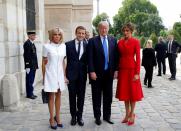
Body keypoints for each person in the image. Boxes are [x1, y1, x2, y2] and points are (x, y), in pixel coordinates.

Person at [88, 21, 118, 125]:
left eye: (106, 28)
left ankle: (107, 116)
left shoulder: (113, 40)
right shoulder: (92, 41)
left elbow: (115, 57)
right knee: (96, 96)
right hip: (96, 74)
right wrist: (91, 71)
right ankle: (97, 117)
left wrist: (116, 70)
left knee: (108, 96)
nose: (104, 30)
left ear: (108, 28)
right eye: (102, 28)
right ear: (98, 29)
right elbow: (90, 58)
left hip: (109, 74)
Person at [115, 23, 143, 126]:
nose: (125, 32)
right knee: (125, 93)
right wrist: (117, 70)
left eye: (127, 31)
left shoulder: (136, 42)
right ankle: (126, 114)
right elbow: (117, 57)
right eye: (124, 31)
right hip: (122, 70)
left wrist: (137, 73)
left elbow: (138, 58)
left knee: (133, 94)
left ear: (131, 31)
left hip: (132, 70)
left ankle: (132, 114)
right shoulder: (120, 42)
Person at [42, 27, 67, 130]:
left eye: (59, 34)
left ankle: (58, 117)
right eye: (55, 34)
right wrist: (44, 77)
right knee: (51, 96)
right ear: (51, 35)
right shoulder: (46, 46)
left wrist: (64, 75)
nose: (57, 36)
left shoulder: (63, 46)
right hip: (50, 74)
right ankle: (51, 118)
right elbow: (44, 62)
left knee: (59, 94)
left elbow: (63, 62)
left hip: (60, 75)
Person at [65, 26, 87, 126]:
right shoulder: (68, 45)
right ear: (76, 33)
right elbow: (62, 60)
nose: (81, 35)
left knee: (81, 97)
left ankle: (80, 116)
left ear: (85, 34)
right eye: (79, 33)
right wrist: (64, 75)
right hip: (71, 75)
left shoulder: (88, 44)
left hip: (82, 75)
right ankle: (73, 116)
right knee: (72, 96)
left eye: (83, 33)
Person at [23, 31, 38, 99]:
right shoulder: (27, 44)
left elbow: (34, 55)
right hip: (30, 66)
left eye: (34, 35)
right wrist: (27, 66)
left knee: (31, 80)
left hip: (33, 65)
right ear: (29, 36)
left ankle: (31, 92)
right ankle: (29, 94)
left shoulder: (32, 43)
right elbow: (26, 55)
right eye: (32, 35)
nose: (34, 36)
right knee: (29, 80)